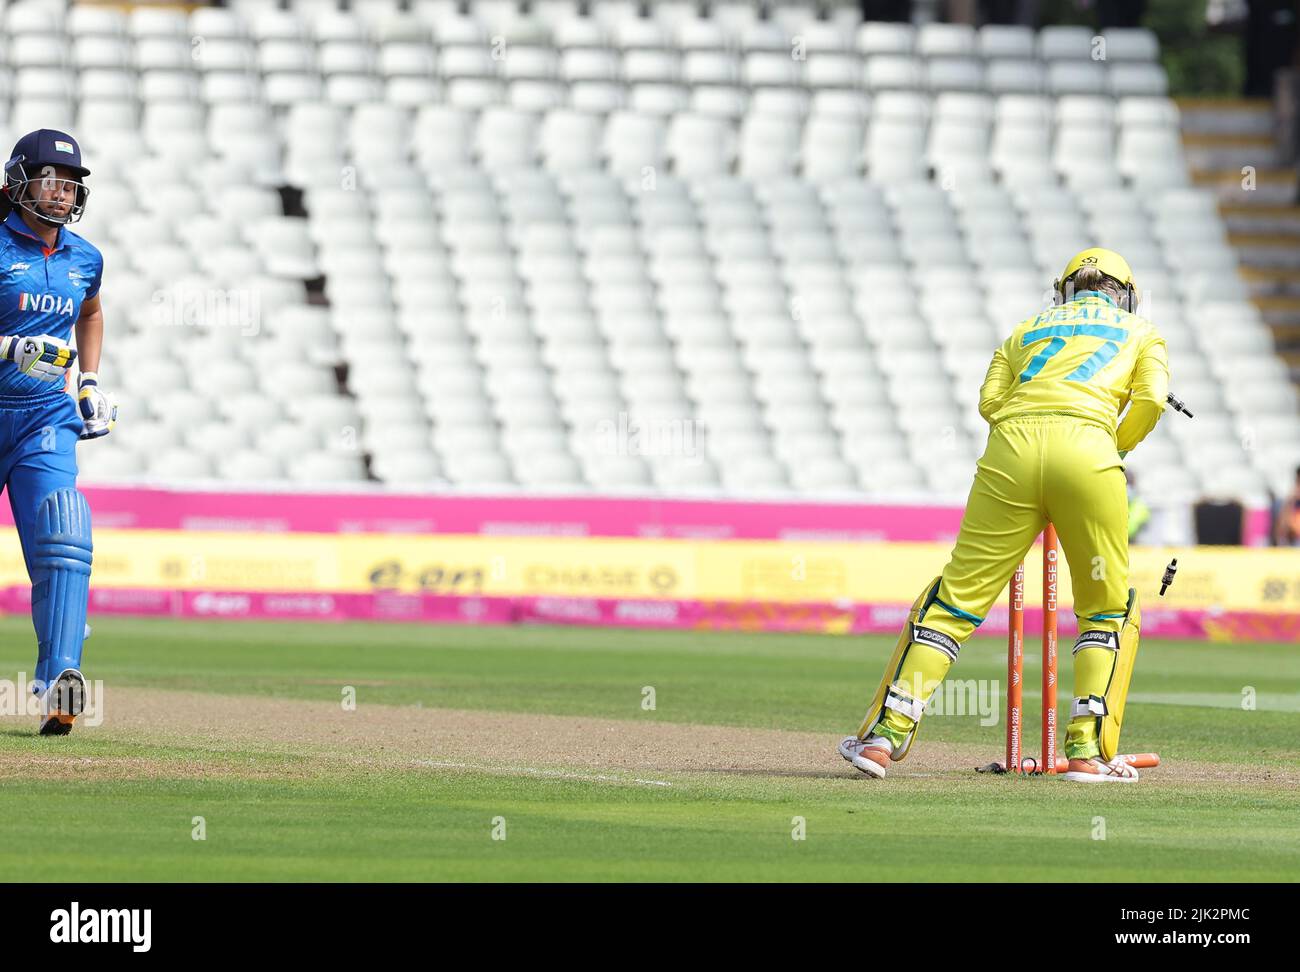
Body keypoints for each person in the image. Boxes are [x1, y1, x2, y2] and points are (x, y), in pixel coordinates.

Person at [840, 248, 1168, 783]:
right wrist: (1112, 445)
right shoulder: (1143, 332)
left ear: (1064, 290)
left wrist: (1029, 425)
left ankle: (883, 737)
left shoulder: (1025, 329)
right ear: (1125, 294)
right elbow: (1152, 399)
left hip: (1010, 452)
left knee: (956, 600)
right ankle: (1087, 752)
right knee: (1105, 608)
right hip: (1089, 454)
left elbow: (989, 400)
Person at [0, 129, 115, 735]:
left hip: (44, 414)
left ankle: (60, 680)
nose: (63, 192)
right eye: (51, 179)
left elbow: (90, 313)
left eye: (71, 183)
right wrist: (7, 345)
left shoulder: (84, 258)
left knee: (65, 530)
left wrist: (90, 382)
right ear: (19, 183)